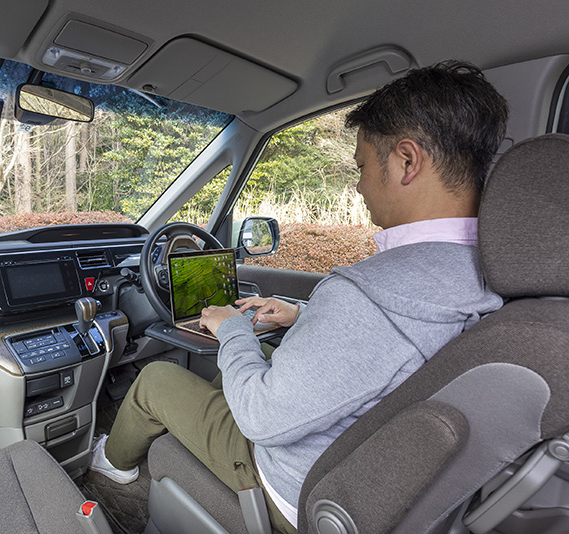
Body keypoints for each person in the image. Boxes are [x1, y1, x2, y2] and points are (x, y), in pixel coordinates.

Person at [88, 60, 508, 533]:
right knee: (257, 351)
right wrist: (302, 315)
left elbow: (260, 418)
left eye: (364, 166)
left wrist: (231, 329)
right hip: (378, 479)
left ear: (407, 161)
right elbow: (384, 352)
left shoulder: (366, 296)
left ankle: (110, 467)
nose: (360, 183)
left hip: (296, 488)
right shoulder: (497, 275)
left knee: (156, 379)